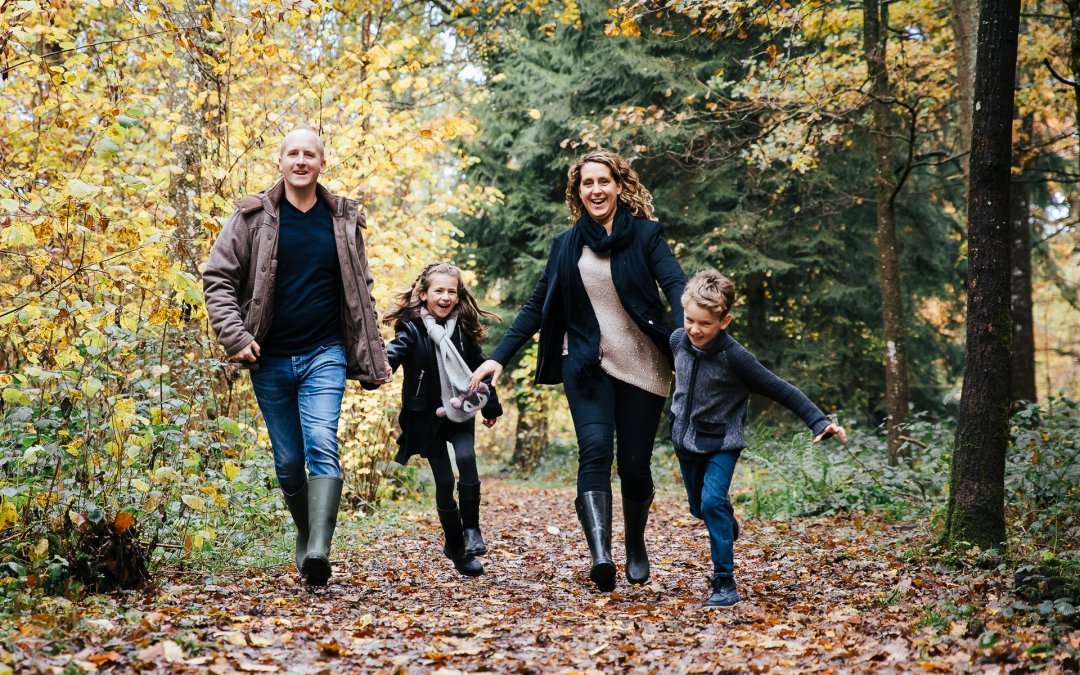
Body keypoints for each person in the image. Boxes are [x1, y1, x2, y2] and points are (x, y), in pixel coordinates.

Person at [470, 150, 686, 592]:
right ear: (578, 193)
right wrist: (498, 357)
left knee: (634, 465)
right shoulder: (566, 245)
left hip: (643, 362)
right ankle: (601, 554)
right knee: (593, 451)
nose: (596, 190)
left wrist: (687, 335)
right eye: (587, 183)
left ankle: (635, 543)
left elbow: (676, 284)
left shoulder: (646, 236)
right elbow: (536, 306)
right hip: (586, 362)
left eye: (603, 181)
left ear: (619, 186)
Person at [203, 124, 390, 586]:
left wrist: (371, 351)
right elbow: (217, 279)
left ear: (322, 164)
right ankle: (307, 537)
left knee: (322, 443)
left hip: (325, 352)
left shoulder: (343, 220)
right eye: (293, 154)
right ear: (280, 162)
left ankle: (320, 553)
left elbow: (361, 289)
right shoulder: (251, 218)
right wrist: (236, 337)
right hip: (267, 357)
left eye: (310, 154)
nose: (301, 161)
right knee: (288, 461)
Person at [670, 270, 847, 608]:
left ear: (725, 321)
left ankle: (724, 584)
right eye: (690, 319)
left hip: (722, 443)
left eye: (704, 323)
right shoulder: (678, 340)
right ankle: (724, 519)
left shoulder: (735, 357)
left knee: (711, 503)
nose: (695, 329)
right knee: (700, 508)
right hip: (685, 441)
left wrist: (819, 421)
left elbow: (781, 389)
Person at [384, 263, 503, 577]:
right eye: (439, 290)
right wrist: (382, 366)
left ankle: (473, 531)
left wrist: (491, 407)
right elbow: (395, 352)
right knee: (445, 482)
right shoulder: (411, 328)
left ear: (458, 295)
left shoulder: (463, 330)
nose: (446, 296)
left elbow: (481, 367)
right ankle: (456, 546)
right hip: (426, 417)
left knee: (466, 458)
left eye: (452, 291)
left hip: (460, 410)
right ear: (423, 295)